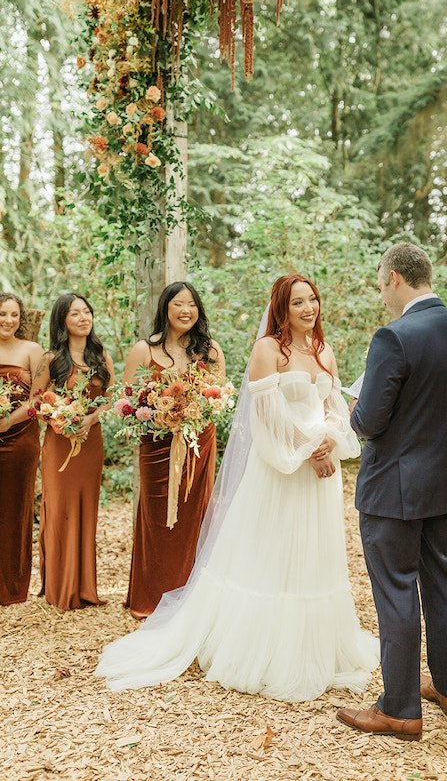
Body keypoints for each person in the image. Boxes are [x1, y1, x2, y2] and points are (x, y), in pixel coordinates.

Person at [96, 274, 378, 699]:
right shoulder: (268, 350)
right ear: (281, 308)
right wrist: (308, 449)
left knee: (311, 556)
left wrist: (329, 439)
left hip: (319, 473)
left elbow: (333, 406)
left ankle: (312, 645)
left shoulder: (324, 350)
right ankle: (260, 646)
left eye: (313, 300)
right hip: (283, 468)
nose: (308, 308)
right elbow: (267, 413)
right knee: (272, 552)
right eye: (298, 302)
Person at [337, 243, 447, 741]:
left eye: (380, 284)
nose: (381, 293)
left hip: (394, 487)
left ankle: (398, 709)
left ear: (395, 278)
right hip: (445, 480)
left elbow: (370, 421)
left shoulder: (393, 337)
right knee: (443, 579)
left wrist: (353, 409)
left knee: (396, 588)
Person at [123, 282, 225, 619]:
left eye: (192, 304)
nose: (186, 310)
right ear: (165, 308)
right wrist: (157, 415)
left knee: (195, 515)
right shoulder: (144, 349)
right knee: (156, 517)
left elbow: (219, 397)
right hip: (155, 446)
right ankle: (151, 596)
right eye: (178, 304)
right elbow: (125, 400)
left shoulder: (209, 350)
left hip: (198, 443)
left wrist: (195, 412)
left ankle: (190, 595)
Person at [34, 293, 114, 610]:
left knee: (86, 508)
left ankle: (84, 587)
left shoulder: (100, 355)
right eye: (75, 313)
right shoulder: (50, 359)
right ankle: (59, 587)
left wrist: (93, 417)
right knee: (59, 510)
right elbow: (36, 401)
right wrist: (58, 420)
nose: (83, 317)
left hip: (91, 443)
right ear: (62, 320)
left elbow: (109, 399)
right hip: (58, 444)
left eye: (86, 311)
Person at [0, 293, 43, 606]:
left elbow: (38, 399)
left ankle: (13, 587)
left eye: (14, 315)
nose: (8, 321)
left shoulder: (32, 350)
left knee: (16, 510)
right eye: (2, 314)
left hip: (21, 438)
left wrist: (6, 422)